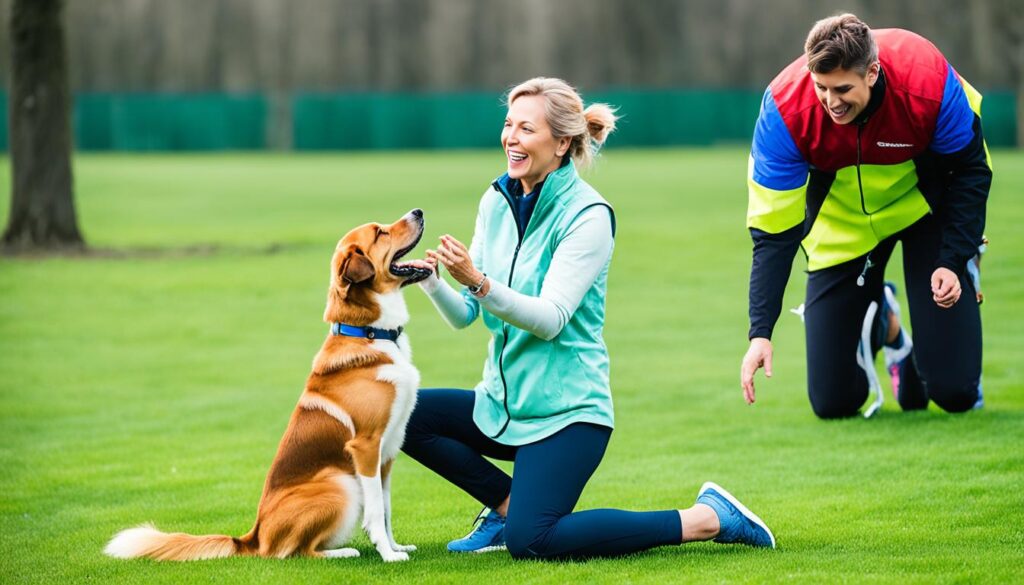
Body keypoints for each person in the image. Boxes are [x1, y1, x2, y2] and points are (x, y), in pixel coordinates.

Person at [401, 77, 775, 560]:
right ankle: (506, 506)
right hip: (502, 403)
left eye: (526, 128)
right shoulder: (495, 200)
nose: (511, 137)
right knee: (398, 413)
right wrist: (432, 281)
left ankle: (706, 519)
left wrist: (478, 281)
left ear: (561, 143)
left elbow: (552, 318)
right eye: (508, 125)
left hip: (568, 415)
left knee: (533, 541)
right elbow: (467, 315)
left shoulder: (589, 215)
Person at [740, 14, 991, 419]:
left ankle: (963, 274)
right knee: (834, 403)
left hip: (924, 209)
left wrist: (953, 256)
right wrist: (760, 333)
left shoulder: (924, 80)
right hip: (845, 224)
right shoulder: (785, 111)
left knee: (956, 393)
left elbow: (971, 170)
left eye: (842, 89)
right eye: (821, 87)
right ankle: (885, 323)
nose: (831, 102)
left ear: (872, 72)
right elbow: (773, 234)